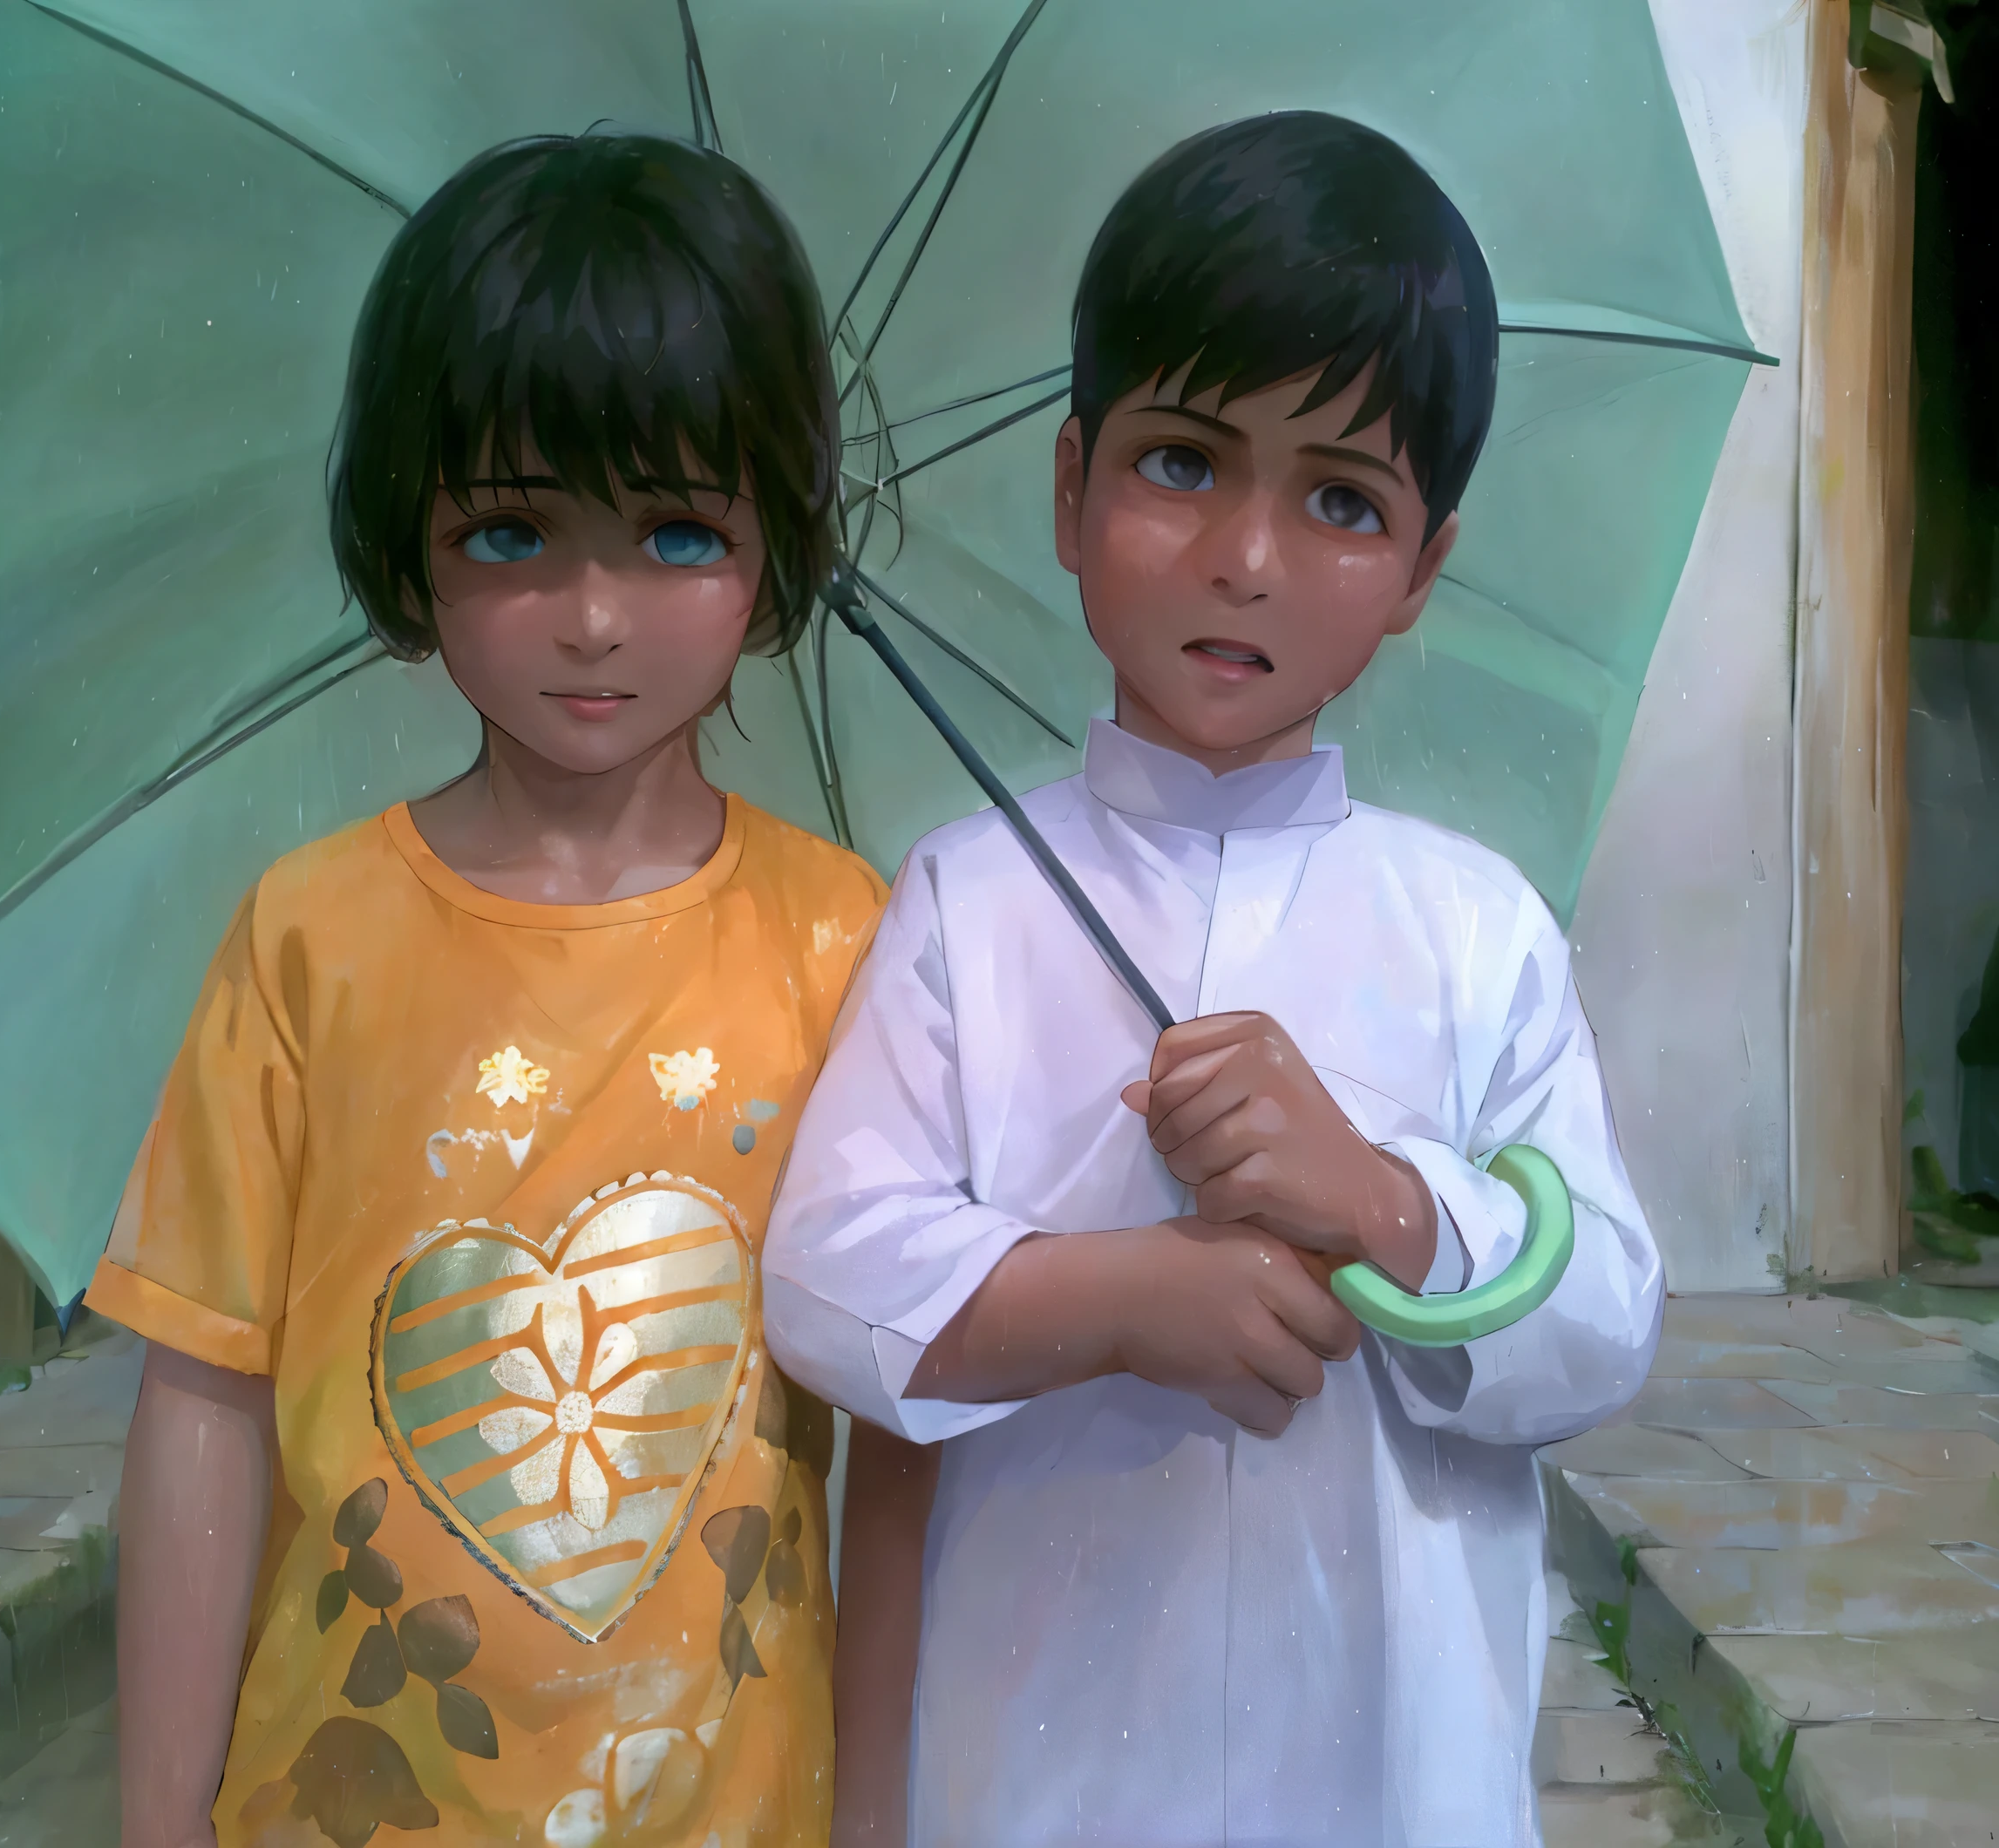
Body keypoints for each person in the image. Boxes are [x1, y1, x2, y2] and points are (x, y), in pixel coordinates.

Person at [765, 111, 1664, 1847]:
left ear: (1422, 571)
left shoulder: (1476, 932)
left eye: (1340, 498)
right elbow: (828, 1277)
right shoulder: (968, 903)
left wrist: (1390, 1206)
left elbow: (1602, 1305)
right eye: (1183, 462)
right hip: (1041, 1762)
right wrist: (1119, 1298)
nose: (1247, 554)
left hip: (1389, 1774)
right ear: (1069, 488)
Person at [89, 132, 886, 1848]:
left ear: (776, 543)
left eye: (677, 530)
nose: (592, 615)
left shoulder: (847, 946)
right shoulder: (308, 942)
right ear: (405, 532)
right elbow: (206, 1400)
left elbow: (899, 1434)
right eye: (513, 529)